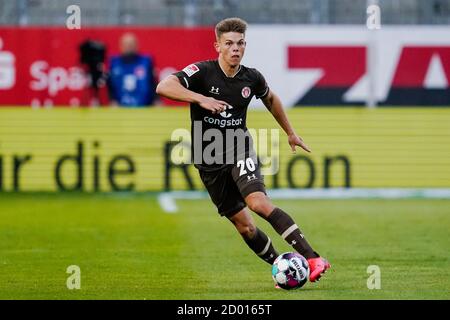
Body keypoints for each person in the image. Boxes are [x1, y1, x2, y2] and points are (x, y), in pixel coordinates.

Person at [156, 17, 330, 284]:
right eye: (229, 43)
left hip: (239, 148)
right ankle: (283, 267)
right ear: (217, 46)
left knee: (258, 203)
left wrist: (290, 132)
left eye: (240, 43)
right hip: (208, 157)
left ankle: (312, 258)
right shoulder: (202, 72)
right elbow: (164, 86)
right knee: (245, 226)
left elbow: (271, 98)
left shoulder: (252, 77)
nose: (235, 49)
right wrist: (201, 98)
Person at [108, 33, 157, 107]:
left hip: (144, 106)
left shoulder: (146, 61)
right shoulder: (114, 63)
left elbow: (152, 82)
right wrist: (112, 100)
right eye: (126, 44)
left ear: (137, 45)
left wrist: (156, 100)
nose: (129, 46)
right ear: (121, 46)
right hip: (120, 107)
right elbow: (110, 85)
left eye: (131, 44)